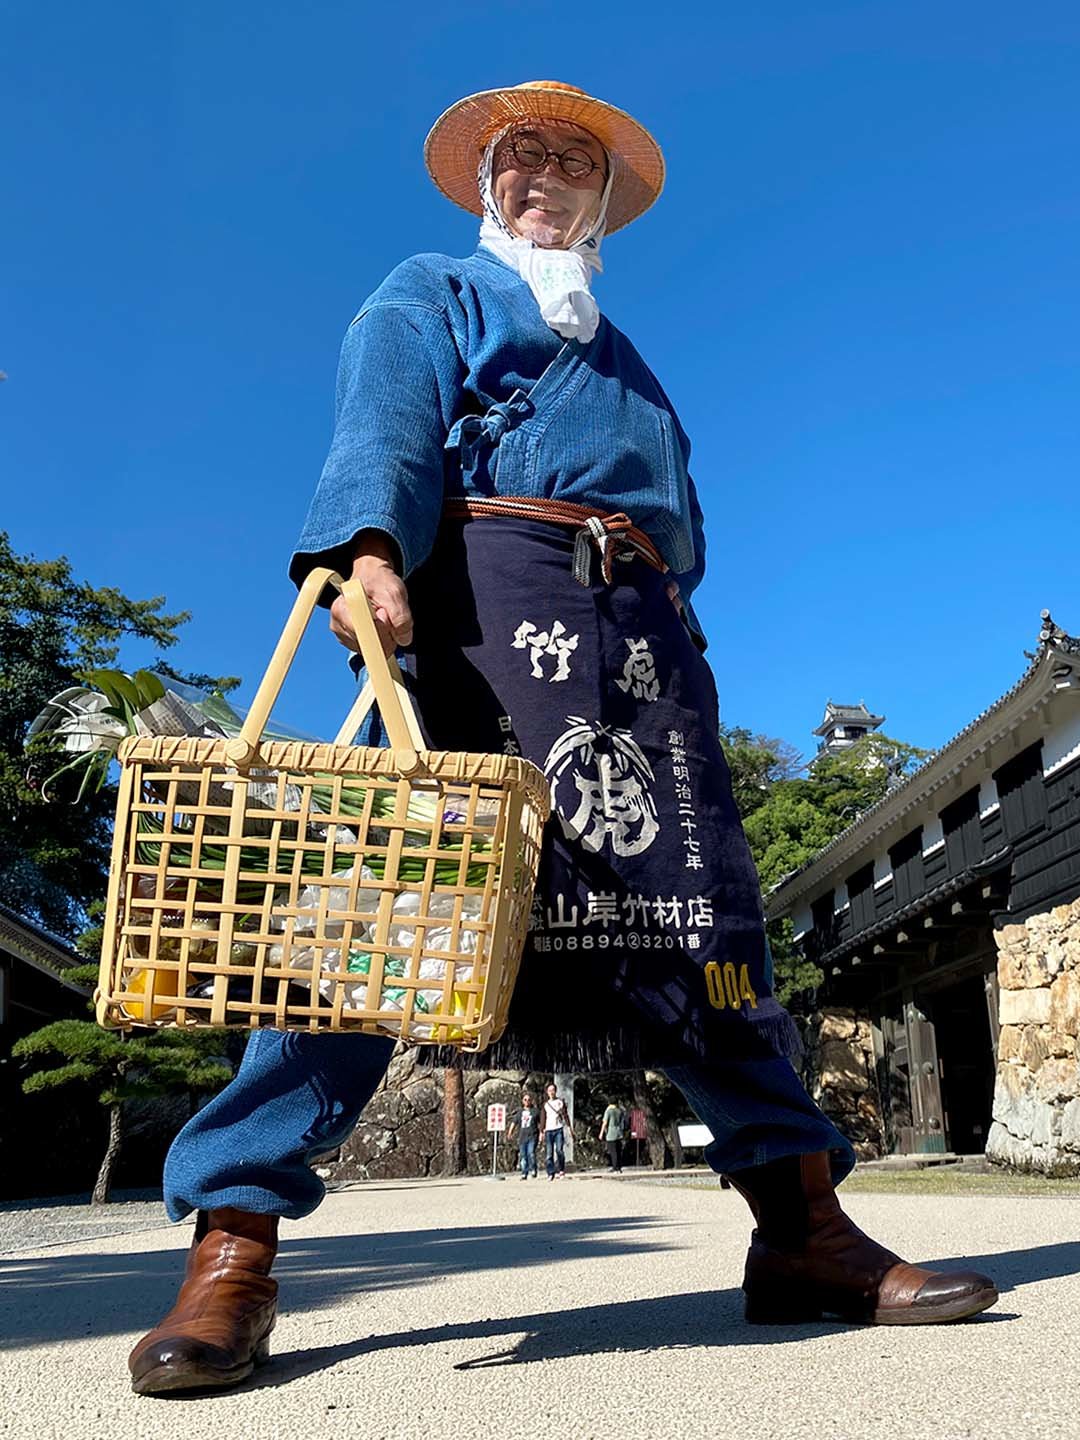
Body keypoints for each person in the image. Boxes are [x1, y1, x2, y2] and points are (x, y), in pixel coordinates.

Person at [128, 79, 998, 1398]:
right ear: (489, 184)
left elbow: (678, 528)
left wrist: (669, 633)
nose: (541, 173)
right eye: (518, 154)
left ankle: (801, 1229)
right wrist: (369, 549)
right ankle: (233, 1244)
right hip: (483, 615)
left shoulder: (627, 359)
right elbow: (384, 426)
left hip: (640, 647)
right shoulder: (432, 290)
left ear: (603, 202)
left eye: (571, 161)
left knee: (704, 930)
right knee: (382, 920)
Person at [541, 1082, 574, 1181]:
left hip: (558, 1128)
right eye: (549, 1090)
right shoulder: (545, 1104)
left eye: (553, 1090)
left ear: (555, 1091)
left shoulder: (560, 1102)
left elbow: (565, 1115)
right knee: (549, 1153)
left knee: (559, 1150)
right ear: (547, 1092)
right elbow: (543, 1118)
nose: (551, 1092)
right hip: (548, 1130)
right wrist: (541, 1131)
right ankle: (550, 1172)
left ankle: (561, 1170)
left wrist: (569, 1128)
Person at [509, 1092, 539, 1179]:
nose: (527, 1101)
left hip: (532, 1136)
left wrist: (542, 1132)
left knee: (531, 1153)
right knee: (523, 1156)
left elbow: (540, 1123)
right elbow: (514, 1122)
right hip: (522, 1137)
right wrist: (510, 1132)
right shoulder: (520, 1112)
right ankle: (524, 1172)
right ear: (522, 1101)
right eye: (525, 1100)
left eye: (529, 1100)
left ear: (531, 1101)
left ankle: (533, 1169)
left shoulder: (535, 1111)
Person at [598, 1099, 625, 1172]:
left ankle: (615, 1167)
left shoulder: (609, 1111)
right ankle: (619, 1167)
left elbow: (605, 1122)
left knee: (613, 1151)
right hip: (619, 1132)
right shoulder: (619, 1111)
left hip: (611, 1133)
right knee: (618, 1151)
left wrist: (601, 1133)